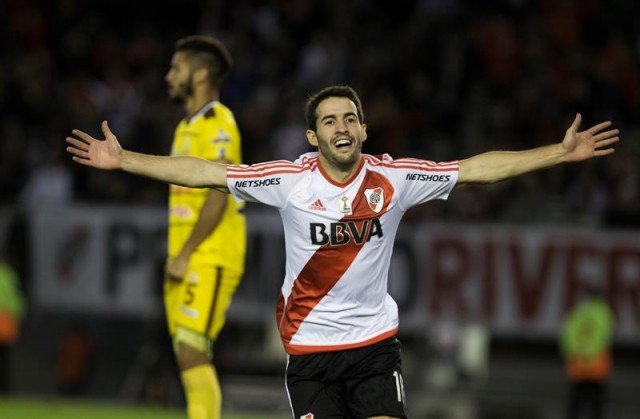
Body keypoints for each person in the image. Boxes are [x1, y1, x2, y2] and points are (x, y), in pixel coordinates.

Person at [66, 85, 620, 419]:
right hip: (309, 353)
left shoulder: (395, 178)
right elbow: (207, 172)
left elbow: (476, 169)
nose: (342, 127)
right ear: (313, 136)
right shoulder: (288, 180)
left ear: (363, 128)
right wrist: (128, 160)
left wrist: (556, 154)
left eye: (350, 117)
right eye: (329, 120)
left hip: (376, 346)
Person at [561, 285, 615, 419]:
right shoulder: (604, 312)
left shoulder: (577, 312)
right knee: (596, 400)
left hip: (578, 361)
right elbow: (606, 336)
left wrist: (572, 353)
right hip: (597, 362)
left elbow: (567, 335)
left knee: (576, 398)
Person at [0, 258, 26, 394]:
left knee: (5, 358)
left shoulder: (8, 275)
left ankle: (4, 389)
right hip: (7, 319)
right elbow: (16, 298)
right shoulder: (10, 275)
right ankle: (5, 389)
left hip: (4, 320)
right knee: (5, 359)